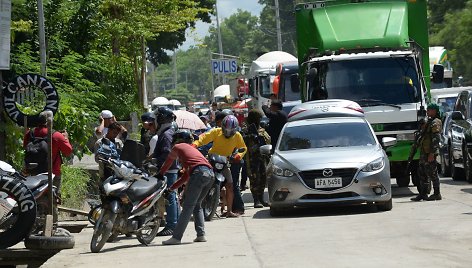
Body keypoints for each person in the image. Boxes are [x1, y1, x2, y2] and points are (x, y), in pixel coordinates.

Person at [160, 130, 215, 245]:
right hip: (210, 175)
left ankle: (176, 237)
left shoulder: (178, 146)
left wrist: (160, 174)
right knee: (197, 205)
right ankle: (201, 235)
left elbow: (168, 162)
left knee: (187, 206)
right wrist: (171, 189)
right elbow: (185, 177)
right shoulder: (192, 152)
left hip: (199, 173)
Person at [193, 115, 247, 217]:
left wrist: (238, 156)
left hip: (224, 162)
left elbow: (243, 148)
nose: (228, 132)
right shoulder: (216, 131)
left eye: (231, 131)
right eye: (226, 130)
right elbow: (203, 138)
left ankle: (229, 211)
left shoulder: (238, 136)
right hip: (211, 159)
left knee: (230, 185)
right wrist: (195, 144)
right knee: (201, 178)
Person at [23, 110, 73, 193]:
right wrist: (66, 137)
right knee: (53, 197)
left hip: (33, 170)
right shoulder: (56, 135)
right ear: (50, 121)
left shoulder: (30, 133)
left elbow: (25, 146)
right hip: (52, 172)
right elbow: (68, 151)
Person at [153, 107, 179, 236]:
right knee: (171, 196)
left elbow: (167, 154)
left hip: (168, 170)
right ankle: (174, 224)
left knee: (170, 197)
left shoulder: (166, 134)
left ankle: (172, 225)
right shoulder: (167, 132)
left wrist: (158, 164)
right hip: (169, 169)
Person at [411, 103, 442, 201]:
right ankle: (423, 193)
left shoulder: (435, 122)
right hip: (424, 151)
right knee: (422, 173)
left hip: (430, 152)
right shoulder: (429, 121)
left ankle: (437, 193)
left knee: (432, 173)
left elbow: (436, 138)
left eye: (429, 110)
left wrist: (432, 153)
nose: (427, 111)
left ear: (435, 111)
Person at [241, 109, 271, 208]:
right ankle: (256, 200)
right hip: (252, 158)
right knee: (254, 179)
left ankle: (261, 199)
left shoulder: (261, 128)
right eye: (258, 118)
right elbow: (242, 140)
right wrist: (250, 136)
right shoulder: (246, 129)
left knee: (263, 178)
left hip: (262, 157)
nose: (259, 120)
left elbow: (267, 139)